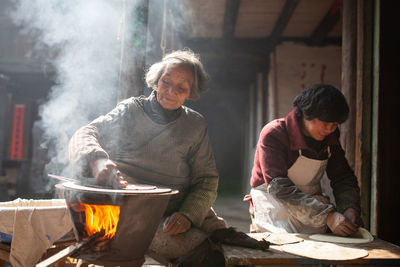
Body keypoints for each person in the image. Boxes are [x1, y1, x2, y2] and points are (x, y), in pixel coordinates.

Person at [68, 50, 228, 262]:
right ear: (156, 81)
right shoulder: (130, 110)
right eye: (166, 82)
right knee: (202, 255)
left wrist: (188, 216)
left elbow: (206, 180)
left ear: (190, 93)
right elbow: (86, 133)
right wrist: (98, 161)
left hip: (174, 211)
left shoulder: (195, 125)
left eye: (182, 88)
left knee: (223, 248)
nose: (171, 91)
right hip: (132, 213)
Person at [246, 84, 362, 237]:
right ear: (307, 114)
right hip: (274, 203)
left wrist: (349, 207)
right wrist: (327, 216)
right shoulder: (274, 134)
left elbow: (343, 177)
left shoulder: (330, 136)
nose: (330, 130)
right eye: (326, 123)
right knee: (288, 244)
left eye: (335, 125)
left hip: (311, 204)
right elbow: (279, 188)